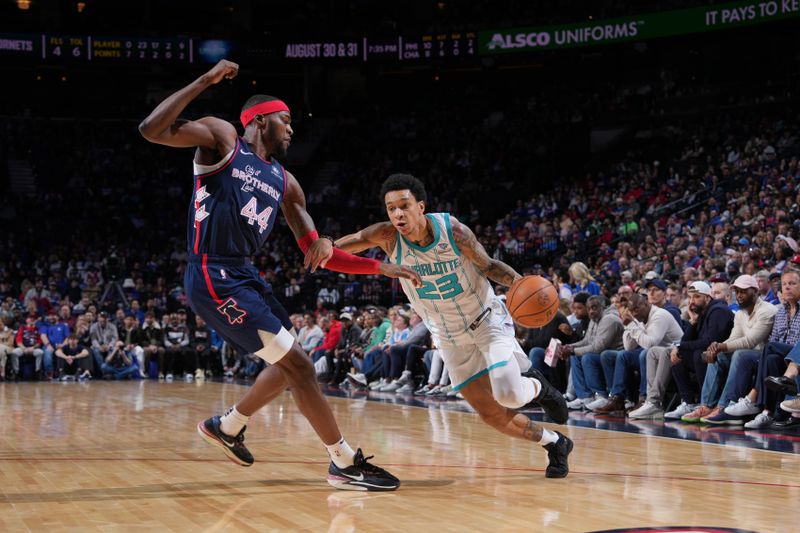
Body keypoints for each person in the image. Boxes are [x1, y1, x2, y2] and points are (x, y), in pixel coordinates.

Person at [139, 59, 420, 491]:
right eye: (285, 120)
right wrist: (206, 81)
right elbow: (151, 130)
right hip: (213, 274)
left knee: (288, 367)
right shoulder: (224, 139)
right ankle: (343, 463)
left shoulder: (287, 183)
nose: (291, 129)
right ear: (259, 119)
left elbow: (317, 253)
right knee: (302, 367)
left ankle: (227, 427)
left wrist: (378, 266)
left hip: (245, 275)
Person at [334, 173, 573, 478]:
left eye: (404, 205)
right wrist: (323, 245)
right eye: (391, 208)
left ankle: (541, 387)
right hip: (447, 335)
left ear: (421, 206)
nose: (397, 214)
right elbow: (344, 246)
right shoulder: (387, 236)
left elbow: (488, 266)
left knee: (509, 395)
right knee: (491, 413)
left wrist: (520, 283)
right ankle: (555, 443)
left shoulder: (453, 231)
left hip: (485, 320)